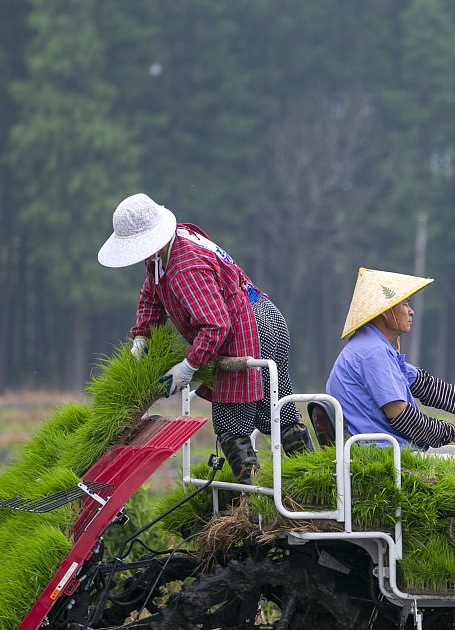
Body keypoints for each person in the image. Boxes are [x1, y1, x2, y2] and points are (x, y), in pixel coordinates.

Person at [98, 192, 312, 482]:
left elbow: (216, 326)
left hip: (249, 329)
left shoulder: (185, 265)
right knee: (277, 412)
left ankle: (264, 504)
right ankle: (310, 485)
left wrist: (188, 366)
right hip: (263, 315)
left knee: (231, 426)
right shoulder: (167, 248)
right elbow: (152, 292)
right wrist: (142, 336)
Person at [326, 268, 455, 449]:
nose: (411, 311)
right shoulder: (373, 353)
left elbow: (428, 387)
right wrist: (453, 433)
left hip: (385, 449)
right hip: (384, 454)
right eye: (405, 303)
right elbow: (401, 416)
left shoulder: (372, 346)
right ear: (385, 312)